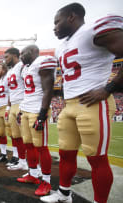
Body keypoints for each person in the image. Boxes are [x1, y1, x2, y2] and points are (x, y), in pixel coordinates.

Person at [41, 3, 123, 203]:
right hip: (69, 105)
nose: (54, 27)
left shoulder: (92, 30)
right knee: (66, 153)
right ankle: (64, 194)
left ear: (72, 16)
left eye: (57, 22)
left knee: (96, 159)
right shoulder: (61, 47)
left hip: (92, 103)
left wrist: (108, 89)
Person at [16, 45, 57, 196]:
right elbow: (27, 92)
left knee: (41, 146)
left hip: (37, 110)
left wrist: (42, 114)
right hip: (26, 109)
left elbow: (48, 89)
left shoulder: (42, 61)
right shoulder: (27, 68)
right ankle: (33, 174)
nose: (21, 56)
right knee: (28, 144)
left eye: (24, 53)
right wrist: (21, 110)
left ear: (33, 52)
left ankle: (46, 181)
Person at [4, 48, 28, 170]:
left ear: (14, 55)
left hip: (22, 103)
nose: (5, 59)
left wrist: (25, 104)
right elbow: (9, 92)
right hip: (13, 104)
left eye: (7, 57)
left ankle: (35, 166)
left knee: (26, 137)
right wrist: (8, 108)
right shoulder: (9, 72)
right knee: (16, 136)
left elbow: (29, 84)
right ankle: (22, 161)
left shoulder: (22, 66)